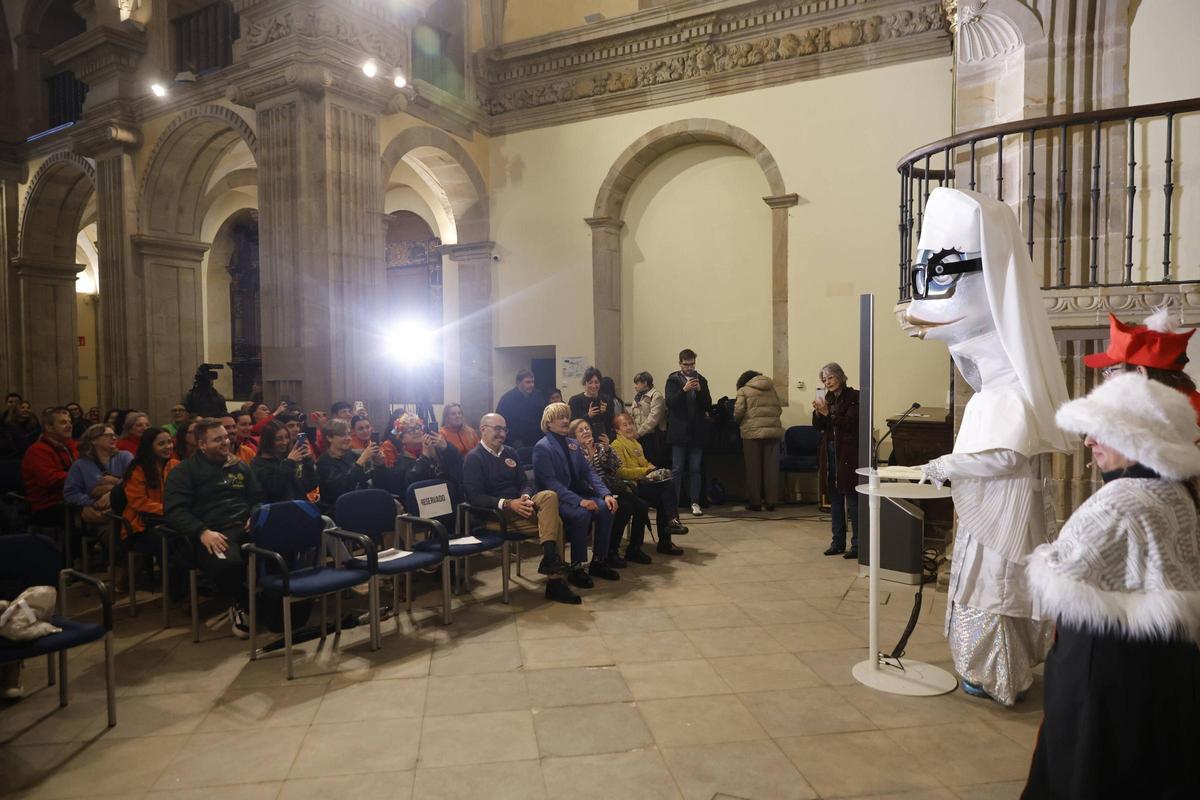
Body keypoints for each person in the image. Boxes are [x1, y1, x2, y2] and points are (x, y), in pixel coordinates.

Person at [910, 188, 1072, 707]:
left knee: (996, 588)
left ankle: (1002, 676)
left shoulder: (1009, 391)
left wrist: (941, 464)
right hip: (994, 505)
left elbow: (1004, 455)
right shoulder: (994, 390)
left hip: (1006, 509)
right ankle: (991, 670)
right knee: (983, 582)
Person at [1022, 372, 1200, 798]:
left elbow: (1063, 570)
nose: (1088, 441)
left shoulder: (1121, 499)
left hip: (1104, 671)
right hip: (1160, 665)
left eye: (1101, 431)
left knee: (1086, 767)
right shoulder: (1176, 491)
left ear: (1137, 436)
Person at [463, 413, 579, 604]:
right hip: (496, 516)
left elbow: (525, 483)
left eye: (504, 429)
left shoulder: (510, 452)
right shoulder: (474, 458)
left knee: (549, 495)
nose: (502, 434)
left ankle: (550, 561)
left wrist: (525, 496)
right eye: (497, 429)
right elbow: (475, 497)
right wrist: (508, 504)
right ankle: (554, 580)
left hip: (521, 507)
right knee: (556, 523)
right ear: (483, 429)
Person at [164, 418, 264, 638]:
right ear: (202, 445)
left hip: (245, 525)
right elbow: (175, 511)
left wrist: (255, 514)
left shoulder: (239, 466)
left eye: (226, 437)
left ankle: (272, 602)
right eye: (218, 439)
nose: (226, 442)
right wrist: (201, 532)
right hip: (212, 531)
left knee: (283, 545)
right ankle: (242, 604)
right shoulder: (184, 472)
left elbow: (257, 498)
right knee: (229, 564)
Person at [532, 402, 620, 588]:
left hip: (577, 492)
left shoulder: (572, 444)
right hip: (558, 499)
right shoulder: (542, 447)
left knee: (607, 508)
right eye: (560, 417)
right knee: (582, 514)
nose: (566, 420)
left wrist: (606, 494)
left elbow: (589, 472)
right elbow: (551, 484)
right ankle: (576, 567)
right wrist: (580, 502)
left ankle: (598, 561)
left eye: (566, 416)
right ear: (548, 423)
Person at [1084, 308, 1200, 422]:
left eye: (1111, 371)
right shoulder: (1178, 403)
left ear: (1139, 372)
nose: (1106, 379)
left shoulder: (1167, 418)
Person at [613, 412, 689, 545]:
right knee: (665, 492)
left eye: (631, 424)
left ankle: (666, 539)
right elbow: (621, 472)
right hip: (630, 487)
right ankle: (672, 522)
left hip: (642, 483)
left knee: (665, 490)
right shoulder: (616, 446)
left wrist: (652, 468)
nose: (629, 427)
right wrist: (646, 470)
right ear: (617, 430)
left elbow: (644, 462)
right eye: (624, 425)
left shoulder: (636, 444)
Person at [569, 418, 635, 568]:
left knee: (631, 504)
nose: (586, 431)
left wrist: (607, 449)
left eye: (587, 428)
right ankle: (607, 553)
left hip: (607, 487)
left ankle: (614, 550)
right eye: (581, 430)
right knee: (622, 506)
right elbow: (582, 476)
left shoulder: (599, 446)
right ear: (574, 436)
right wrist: (590, 456)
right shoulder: (574, 451)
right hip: (588, 490)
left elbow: (615, 467)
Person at [813, 363, 859, 558]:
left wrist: (828, 414)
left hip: (848, 452)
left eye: (830, 378)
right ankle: (837, 542)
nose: (827, 382)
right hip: (830, 450)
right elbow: (818, 426)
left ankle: (857, 545)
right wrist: (818, 413)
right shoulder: (828, 398)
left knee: (852, 498)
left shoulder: (854, 397)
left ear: (840, 376)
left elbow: (850, 424)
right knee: (835, 497)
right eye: (824, 380)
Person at [665, 348, 712, 515]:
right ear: (680, 364)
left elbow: (707, 405)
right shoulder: (672, 380)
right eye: (686, 365)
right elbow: (670, 403)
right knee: (677, 468)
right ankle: (674, 502)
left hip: (696, 431)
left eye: (692, 364)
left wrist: (699, 391)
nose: (689, 368)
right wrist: (683, 390)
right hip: (679, 432)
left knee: (695, 468)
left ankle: (695, 502)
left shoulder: (702, 380)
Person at [376, 413, 463, 501]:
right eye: (411, 430)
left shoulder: (435, 451)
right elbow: (411, 482)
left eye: (418, 428)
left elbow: (459, 464)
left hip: (444, 499)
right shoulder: (400, 462)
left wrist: (446, 447)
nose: (416, 432)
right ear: (401, 438)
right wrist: (424, 457)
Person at [63, 424, 133, 525]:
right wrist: (91, 503)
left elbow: (135, 481)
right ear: (93, 440)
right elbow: (70, 493)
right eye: (108, 435)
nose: (114, 438)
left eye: (115, 435)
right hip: (97, 510)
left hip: (124, 508)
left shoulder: (125, 457)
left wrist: (114, 488)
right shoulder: (80, 465)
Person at [19, 407, 78, 527]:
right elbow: (50, 480)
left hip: (70, 496)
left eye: (70, 422)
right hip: (49, 504)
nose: (69, 425)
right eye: (63, 422)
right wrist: (82, 477)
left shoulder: (70, 446)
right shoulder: (37, 451)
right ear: (49, 427)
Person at [735, 370, 784, 511]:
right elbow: (779, 409)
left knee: (753, 469)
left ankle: (755, 502)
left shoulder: (744, 390)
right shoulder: (771, 389)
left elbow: (739, 411)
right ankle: (771, 502)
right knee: (771, 469)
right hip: (773, 433)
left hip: (752, 433)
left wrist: (738, 421)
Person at [317, 418, 379, 517]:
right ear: (329, 438)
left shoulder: (354, 455)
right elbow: (342, 487)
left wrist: (379, 464)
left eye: (348, 434)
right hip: (340, 509)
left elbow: (371, 481)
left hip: (362, 502)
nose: (348, 438)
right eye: (343, 435)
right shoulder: (324, 462)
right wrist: (360, 462)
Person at [122, 427, 177, 536]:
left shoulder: (176, 465)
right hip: (142, 524)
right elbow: (139, 502)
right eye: (161, 444)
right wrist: (169, 510)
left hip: (172, 517)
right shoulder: (137, 469)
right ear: (149, 447)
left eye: (170, 442)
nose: (168, 447)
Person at [252, 419, 318, 503]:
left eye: (287, 437)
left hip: (300, 506)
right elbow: (274, 490)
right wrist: (289, 463)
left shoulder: (290, 458)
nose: (284, 442)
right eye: (278, 439)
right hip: (278, 509)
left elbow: (310, 486)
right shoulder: (258, 463)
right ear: (268, 441)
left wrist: (307, 461)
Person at [495, 369, 547, 448]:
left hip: (536, 440)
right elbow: (500, 421)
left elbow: (544, 416)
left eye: (532, 382)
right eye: (528, 382)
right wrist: (512, 440)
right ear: (519, 383)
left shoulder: (538, 396)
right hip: (515, 442)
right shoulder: (507, 399)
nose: (531, 385)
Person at [569, 366, 615, 443]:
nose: (594, 386)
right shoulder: (575, 400)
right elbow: (573, 424)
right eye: (590, 382)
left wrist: (604, 413)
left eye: (596, 382)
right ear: (585, 383)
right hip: (583, 441)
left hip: (603, 439)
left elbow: (611, 423)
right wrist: (588, 416)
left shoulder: (607, 400)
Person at [630, 371, 666, 467]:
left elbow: (653, 418)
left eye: (637, 383)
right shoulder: (637, 397)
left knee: (652, 462)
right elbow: (633, 416)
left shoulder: (656, 396)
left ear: (645, 383)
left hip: (652, 435)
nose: (635, 386)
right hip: (639, 436)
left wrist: (639, 432)